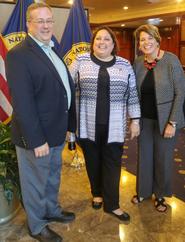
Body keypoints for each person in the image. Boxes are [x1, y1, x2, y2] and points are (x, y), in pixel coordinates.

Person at [5, 3, 76, 242]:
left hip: (56, 131)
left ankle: (51, 211)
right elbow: (23, 103)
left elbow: (63, 90)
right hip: (36, 138)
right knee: (35, 184)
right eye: (40, 21)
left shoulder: (52, 49)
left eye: (49, 20)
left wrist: (69, 127)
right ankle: (36, 226)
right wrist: (37, 140)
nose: (46, 25)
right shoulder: (19, 55)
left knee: (52, 177)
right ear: (29, 24)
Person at [69, 26, 140, 221]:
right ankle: (97, 194)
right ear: (93, 43)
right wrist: (69, 123)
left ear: (113, 43)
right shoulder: (81, 61)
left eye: (107, 39)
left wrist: (135, 120)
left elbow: (132, 94)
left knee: (112, 163)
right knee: (92, 162)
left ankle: (112, 204)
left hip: (115, 126)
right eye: (98, 39)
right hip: (87, 123)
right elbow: (66, 87)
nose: (102, 42)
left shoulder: (125, 64)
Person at [132, 24, 185, 212]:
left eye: (149, 38)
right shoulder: (138, 63)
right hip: (144, 121)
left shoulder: (171, 60)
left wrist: (173, 122)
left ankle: (160, 195)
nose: (146, 43)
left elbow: (181, 93)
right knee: (144, 157)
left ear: (157, 40)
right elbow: (133, 93)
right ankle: (143, 191)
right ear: (139, 44)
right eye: (142, 40)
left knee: (162, 158)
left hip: (166, 122)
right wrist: (134, 120)